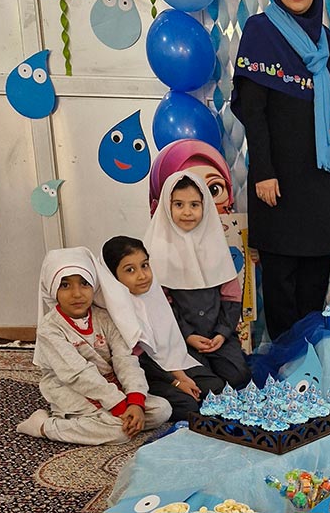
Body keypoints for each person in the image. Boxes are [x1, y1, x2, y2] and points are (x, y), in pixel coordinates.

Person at [230, 0, 330, 340]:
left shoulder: (324, 39)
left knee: (314, 282)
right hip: (276, 180)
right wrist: (263, 171)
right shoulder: (260, 31)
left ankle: (309, 362)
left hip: (319, 179)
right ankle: (284, 364)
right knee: (280, 284)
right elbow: (253, 111)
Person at [17, 247, 171, 444]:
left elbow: (125, 359)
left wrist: (135, 401)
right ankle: (44, 426)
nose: (77, 294)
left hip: (110, 386)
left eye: (84, 283)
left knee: (162, 410)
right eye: (65, 285)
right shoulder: (50, 328)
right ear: (52, 288)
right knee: (119, 432)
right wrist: (119, 406)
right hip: (71, 388)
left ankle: (108, 421)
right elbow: (77, 374)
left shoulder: (104, 317)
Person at [99, 235, 225, 422]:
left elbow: (168, 348)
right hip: (142, 374)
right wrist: (176, 382)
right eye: (130, 270)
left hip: (167, 366)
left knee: (216, 386)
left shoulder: (153, 294)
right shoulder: (115, 311)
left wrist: (180, 375)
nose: (142, 276)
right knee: (188, 406)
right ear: (112, 276)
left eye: (144, 265)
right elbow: (138, 361)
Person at [144, 171, 252, 389]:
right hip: (179, 339)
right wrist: (188, 335)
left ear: (205, 207)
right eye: (179, 205)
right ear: (167, 206)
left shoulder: (215, 245)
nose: (187, 212)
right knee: (208, 385)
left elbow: (231, 297)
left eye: (194, 205)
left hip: (218, 335)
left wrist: (222, 333)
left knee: (239, 377)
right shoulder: (157, 250)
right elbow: (160, 306)